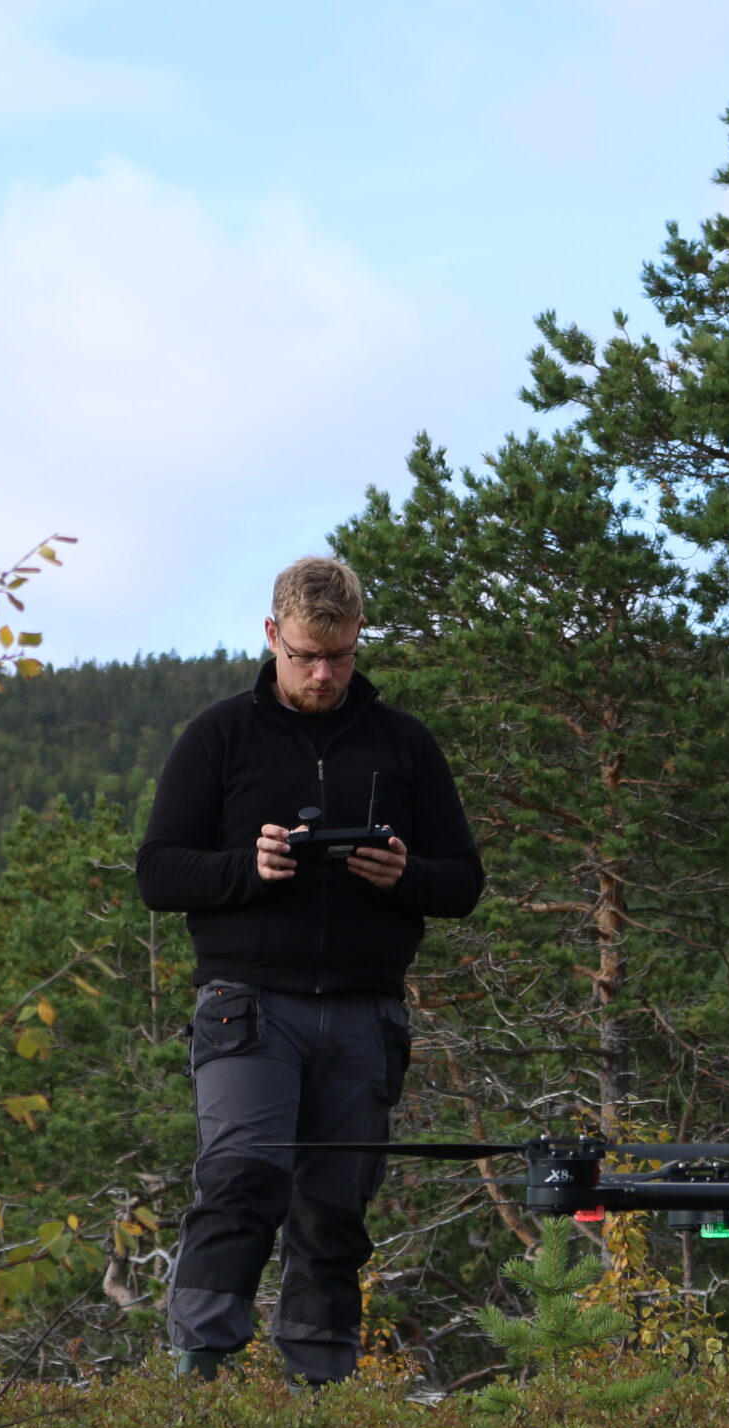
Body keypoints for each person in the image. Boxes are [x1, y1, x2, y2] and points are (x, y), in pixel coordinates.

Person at [137, 556, 482, 1384]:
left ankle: (320, 1400)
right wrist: (246, 868)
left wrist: (408, 876)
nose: (323, 673)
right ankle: (197, 1380)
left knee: (335, 1208)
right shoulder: (219, 736)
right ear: (271, 636)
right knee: (240, 1182)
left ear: (359, 639)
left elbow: (464, 880)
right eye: (304, 656)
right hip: (247, 1006)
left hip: (365, 1012)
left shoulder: (404, 743)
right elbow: (157, 872)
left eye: (339, 654)